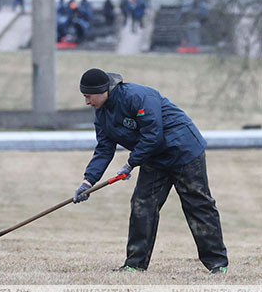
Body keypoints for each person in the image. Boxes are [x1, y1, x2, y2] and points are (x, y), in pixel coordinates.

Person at [73, 68, 228, 274]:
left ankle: (217, 264)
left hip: (183, 150)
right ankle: (135, 264)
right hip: (154, 158)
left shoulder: (137, 97)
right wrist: (87, 182)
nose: (87, 102)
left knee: (198, 204)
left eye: (88, 96)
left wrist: (131, 163)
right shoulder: (102, 114)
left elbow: (153, 134)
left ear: (103, 90)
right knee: (142, 205)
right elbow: (104, 149)